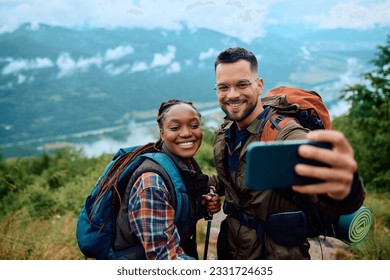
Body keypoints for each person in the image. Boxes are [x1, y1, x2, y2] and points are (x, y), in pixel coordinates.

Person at [209, 47, 366, 259]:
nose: (232, 94)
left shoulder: (283, 134)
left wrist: (345, 188)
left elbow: (324, 182)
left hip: (276, 254)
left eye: (242, 84)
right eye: (223, 87)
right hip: (231, 249)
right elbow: (234, 178)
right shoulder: (226, 133)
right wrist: (201, 186)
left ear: (259, 86)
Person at [97, 99, 221, 260]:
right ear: (162, 133)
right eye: (175, 128)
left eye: (194, 125)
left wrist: (200, 206)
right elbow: (164, 257)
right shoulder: (151, 184)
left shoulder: (181, 166)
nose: (186, 133)